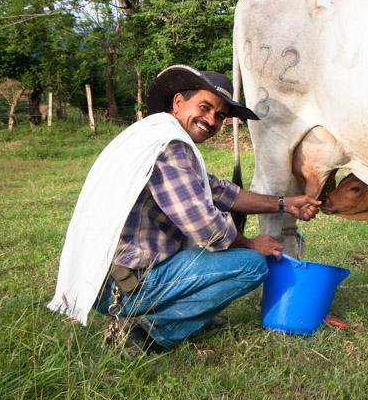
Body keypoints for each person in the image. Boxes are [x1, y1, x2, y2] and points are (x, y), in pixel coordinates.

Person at [47, 64, 320, 353]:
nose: (211, 120)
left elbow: (219, 191)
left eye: (220, 115)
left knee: (207, 253)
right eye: (204, 107)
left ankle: (188, 315)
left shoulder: (151, 134)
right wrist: (252, 244)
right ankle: (145, 333)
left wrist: (284, 203)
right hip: (123, 284)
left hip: (102, 273)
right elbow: (207, 230)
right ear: (179, 102)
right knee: (250, 266)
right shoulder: (170, 147)